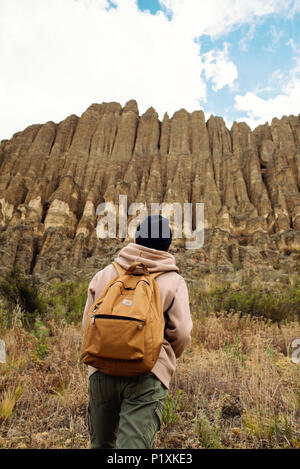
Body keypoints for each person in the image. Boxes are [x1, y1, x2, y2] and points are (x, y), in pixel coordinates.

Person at [82, 214, 193, 449]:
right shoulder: (173, 281)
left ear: (135, 239)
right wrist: (162, 357)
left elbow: (87, 326)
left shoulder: (105, 274)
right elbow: (182, 333)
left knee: (101, 445)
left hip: (102, 371)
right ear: (169, 245)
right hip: (147, 374)